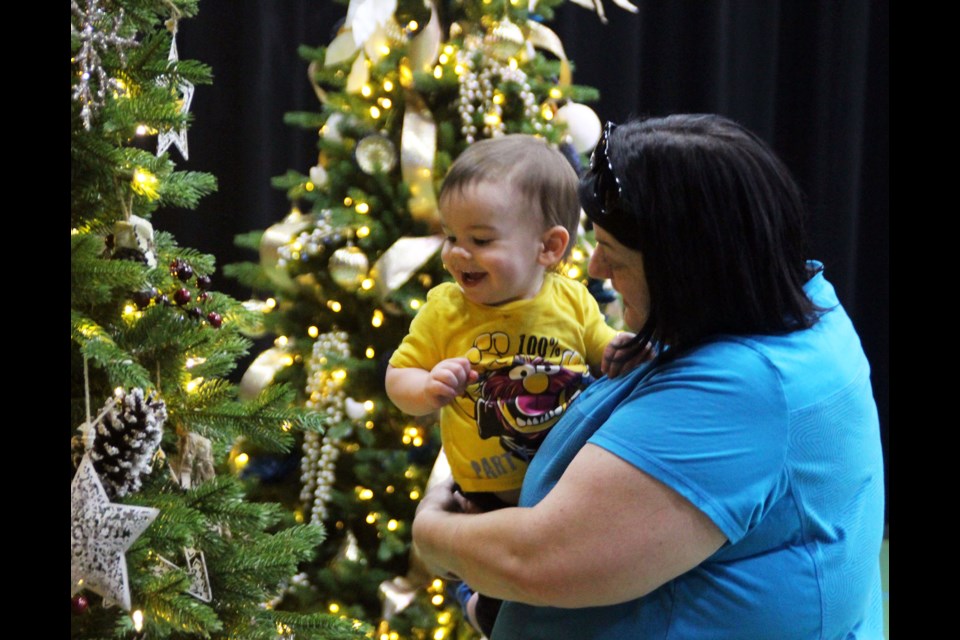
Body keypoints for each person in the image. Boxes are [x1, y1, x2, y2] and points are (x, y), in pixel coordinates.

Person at [410, 114, 886, 639]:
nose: (594, 270)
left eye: (612, 254)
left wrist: (434, 530)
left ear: (683, 264)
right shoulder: (798, 305)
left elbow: (541, 560)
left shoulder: (744, 390)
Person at [385, 133, 630, 637]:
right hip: (485, 497)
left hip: (565, 486)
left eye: (481, 240)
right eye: (452, 237)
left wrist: (618, 350)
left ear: (550, 247)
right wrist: (428, 386)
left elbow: (600, 345)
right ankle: (481, 606)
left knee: (566, 593)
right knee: (505, 603)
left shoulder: (571, 301)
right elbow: (397, 377)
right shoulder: (444, 310)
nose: (458, 255)